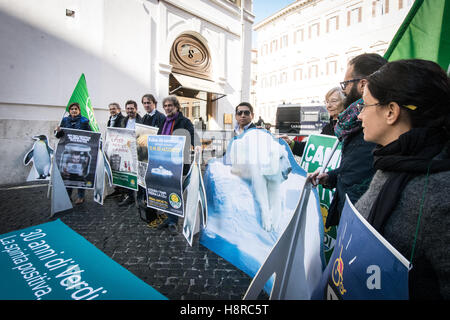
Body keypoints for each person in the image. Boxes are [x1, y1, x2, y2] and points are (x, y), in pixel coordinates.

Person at [355, 59, 450, 299]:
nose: (359, 116)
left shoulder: (440, 194)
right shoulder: (391, 161)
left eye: (365, 106)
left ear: (391, 112)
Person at [309, 53, 387, 229]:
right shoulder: (353, 124)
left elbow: (369, 174)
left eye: (346, 84)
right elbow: (356, 168)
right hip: (347, 212)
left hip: (361, 221)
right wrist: (330, 177)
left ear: (362, 84)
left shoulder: (378, 128)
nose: (344, 90)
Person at [156, 95, 199, 235]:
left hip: (178, 163)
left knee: (175, 191)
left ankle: (173, 221)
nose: (168, 108)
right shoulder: (163, 121)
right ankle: (169, 218)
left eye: (170, 106)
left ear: (176, 107)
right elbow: (158, 138)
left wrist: (197, 146)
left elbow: (193, 136)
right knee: (166, 190)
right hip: (163, 162)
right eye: (165, 106)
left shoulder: (184, 121)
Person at [281, 86, 345, 155]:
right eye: (327, 102)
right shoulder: (327, 128)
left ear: (344, 102)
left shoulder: (351, 127)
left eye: (333, 101)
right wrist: (290, 143)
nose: (328, 105)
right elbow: (313, 148)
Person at [54, 102, 91, 205]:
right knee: (68, 174)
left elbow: (91, 135)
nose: (74, 111)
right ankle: (67, 196)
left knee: (80, 175)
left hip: (81, 153)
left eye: (76, 109)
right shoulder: (65, 121)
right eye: (72, 109)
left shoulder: (84, 121)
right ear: (69, 111)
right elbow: (58, 136)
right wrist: (58, 131)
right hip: (68, 152)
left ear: (79, 111)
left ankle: (80, 197)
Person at [118, 100, 142, 206]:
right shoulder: (123, 120)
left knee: (139, 175)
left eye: (132, 108)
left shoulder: (141, 120)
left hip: (138, 151)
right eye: (128, 108)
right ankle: (130, 196)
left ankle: (140, 198)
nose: (130, 110)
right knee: (128, 173)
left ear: (136, 109)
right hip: (126, 151)